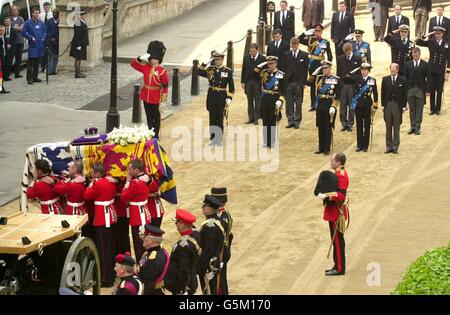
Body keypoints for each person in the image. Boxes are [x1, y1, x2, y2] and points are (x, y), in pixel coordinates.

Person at [83, 163, 118, 287]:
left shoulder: (98, 184)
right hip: (111, 216)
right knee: (110, 247)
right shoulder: (111, 181)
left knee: (103, 250)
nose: (90, 175)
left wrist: (91, 184)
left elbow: (86, 196)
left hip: (102, 218)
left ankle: (106, 279)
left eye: (92, 173)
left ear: (98, 174)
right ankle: (112, 274)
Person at [316, 152, 349, 276]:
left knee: (337, 241)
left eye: (333, 161)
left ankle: (340, 268)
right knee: (336, 241)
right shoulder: (338, 173)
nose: (331, 163)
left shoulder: (341, 175)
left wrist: (326, 197)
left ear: (339, 162)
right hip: (334, 211)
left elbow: (340, 195)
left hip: (336, 212)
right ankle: (337, 265)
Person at [130, 41, 169, 138]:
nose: (151, 60)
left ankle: (155, 136)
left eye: (153, 58)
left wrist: (163, 101)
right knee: (149, 117)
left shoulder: (162, 71)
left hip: (155, 97)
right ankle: (150, 134)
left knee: (156, 117)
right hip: (145, 95)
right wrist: (139, 58)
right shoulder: (146, 67)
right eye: (151, 58)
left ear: (158, 60)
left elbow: (165, 87)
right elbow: (133, 64)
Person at [198, 51, 235, 146]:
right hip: (212, 95)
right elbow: (199, 72)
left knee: (219, 117)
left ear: (222, 60)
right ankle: (213, 138)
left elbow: (231, 87)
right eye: (215, 59)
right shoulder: (210, 69)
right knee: (212, 117)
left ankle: (219, 139)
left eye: (219, 59)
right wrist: (205, 63)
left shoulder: (227, 71)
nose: (217, 61)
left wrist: (229, 97)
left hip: (222, 95)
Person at [120, 159, 151, 262]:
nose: (128, 171)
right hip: (144, 213)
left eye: (130, 169)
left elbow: (123, 197)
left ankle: (142, 268)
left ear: (137, 171)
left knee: (139, 246)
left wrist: (128, 181)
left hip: (137, 216)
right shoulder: (146, 179)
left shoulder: (135, 183)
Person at [164, 209, 201, 295]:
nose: (175, 224)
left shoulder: (183, 246)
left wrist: (181, 289)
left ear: (182, 224)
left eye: (177, 222)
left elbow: (184, 271)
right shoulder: (195, 235)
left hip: (185, 286)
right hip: (192, 279)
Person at [416, 26, 450, 116]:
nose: (437, 35)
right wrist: (425, 36)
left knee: (439, 89)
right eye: (435, 34)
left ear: (442, 34)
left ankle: (438, 109)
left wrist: (448, 72)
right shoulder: (431, 42)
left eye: (439, 34)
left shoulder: (447, 43)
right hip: (431, 69)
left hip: (441, 69)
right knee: (431, 89)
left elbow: (449, 58)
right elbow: (418, 42)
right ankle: (432, 109)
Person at [299, 23, 333, 112]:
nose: (317, 33)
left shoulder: (325, 42)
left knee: (321, 84)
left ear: (321, 32)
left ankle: (320, 103)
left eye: (319, 31)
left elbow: (329, 55)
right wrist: (305, 33)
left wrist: (328, 66)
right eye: (316, 31)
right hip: (312, 64)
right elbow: (299, 40)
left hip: (321, 65)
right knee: (312, 85)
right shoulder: (310, 40)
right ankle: (313, 104)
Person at [254, 56, 285, 148]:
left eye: (272, 63)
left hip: (275, 99)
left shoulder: (281, 74)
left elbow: (284, 89)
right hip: (265, 98)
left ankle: (272, 142)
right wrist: (260, 65)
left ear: (276, 64)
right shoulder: (264, 72)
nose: (270, 65)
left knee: (272, 121)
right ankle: (265, 141)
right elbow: (254, 73)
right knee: (265, 120)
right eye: (268, 64)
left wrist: (281, 99)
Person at [197, 195, 225, 295]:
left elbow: (209, 249)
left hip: (209, 265)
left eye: (204, 206)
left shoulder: (210, 226)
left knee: (208, 291)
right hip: (214, 261)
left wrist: (203, 267)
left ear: (209, 209)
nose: (202, 208)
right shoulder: (217, 220)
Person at [314, 61, 341, 155]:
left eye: (326, 68)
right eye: (323, 68)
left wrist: (334, 105)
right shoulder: (319, 78)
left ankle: (327, 148)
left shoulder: (335, 79)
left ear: (330, 68)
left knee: (327, 126)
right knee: (320, 126)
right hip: (320, 103)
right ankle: (321, 147)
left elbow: (338, 94)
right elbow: (310, 83)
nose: (324, 70)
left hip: (329, 104)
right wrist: (314, 73)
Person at [281, 37, 309, 129]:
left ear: (298, 44)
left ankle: (297, 121)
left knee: (298, 103)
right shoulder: (286, 54)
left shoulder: (304, 55)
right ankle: (290, 120)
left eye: (295, 44)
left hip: (299, 83)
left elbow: (305, 70)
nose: (294, 46)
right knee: (289, 103)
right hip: (289, 82)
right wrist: (284, 81)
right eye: (292, 44)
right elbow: (283, 68)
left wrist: (304, 82)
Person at [351, 63, 378, 152]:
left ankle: (365, 145)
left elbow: (375, 93)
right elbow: (346, 79)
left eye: (365, 70)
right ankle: (359, 145)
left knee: (366, 125)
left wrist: (375, 105)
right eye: (362, 70)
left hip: (367, 105)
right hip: (358, 105)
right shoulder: (356, 79)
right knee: (359, 125)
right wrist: (353, 70)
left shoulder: (372, 80)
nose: (363, 71)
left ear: (368, 71)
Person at [381, 63, 408, 154]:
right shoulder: (385, 79)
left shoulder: (403, 80)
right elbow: (383, 92)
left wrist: (404, 106)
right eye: (391, 71)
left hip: (397, 105)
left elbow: (405, 94)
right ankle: (389, 146)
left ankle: (395, 146)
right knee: (388, 126)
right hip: (388, 104)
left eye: (394, 71)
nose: (392, 72)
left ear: (397, 70)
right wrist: (383, 105)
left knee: (396, 127)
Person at [211, 187, 233, 296]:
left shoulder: (222, 218)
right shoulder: (223, 214)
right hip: (223, 250)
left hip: (221, 252)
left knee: (219, 279)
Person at [404, 47, 430, 135]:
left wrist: (427, 90)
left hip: (420, 89)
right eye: (413, 54)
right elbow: (405, 77)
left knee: (419, 109)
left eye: (416, 54)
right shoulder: (408, 64)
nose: (414, 55)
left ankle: (417, 127)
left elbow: (428, 78)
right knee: (412, 109)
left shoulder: (425, 64)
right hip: (410, 89)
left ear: (419, 54)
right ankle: (412, 127)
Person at [138, 224, 170, 295]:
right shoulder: (158, 252)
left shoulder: (153, 259)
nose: (142, 238)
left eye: (145, 236)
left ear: (151, 241)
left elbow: (147, 281)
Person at [337, 42, 361, 132]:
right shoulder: (340, 58)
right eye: (345, 52)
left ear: (351, 50)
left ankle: (350, 123)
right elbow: (338, 72)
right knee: (343, 105)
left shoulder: (357, 59)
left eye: (348, 51)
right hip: (343, 84)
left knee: (351, 105)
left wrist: (353, 79)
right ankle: (344, 123)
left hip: (352, 85)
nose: (347, 53)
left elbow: (359, 74)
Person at [241, 43, 266, 125]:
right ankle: (251, 117)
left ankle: (256, 117)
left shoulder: (262, 58)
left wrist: (263, 84)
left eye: (253, 51)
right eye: (251, 51)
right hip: (249, 82)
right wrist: (243, 81)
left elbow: (265, 72)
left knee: (258, 101)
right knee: (250, 101)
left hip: (258, 82)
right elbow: (243, 70)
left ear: (257, 50)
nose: (252, 53)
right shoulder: (246, 58)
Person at [21, 7, 46, 85]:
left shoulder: (41, 22)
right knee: (31, 63)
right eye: (35, 13)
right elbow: (23, 33)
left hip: (40, 46)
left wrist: (43, 38)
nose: (37, 14)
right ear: (32, 13)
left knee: (37, 62)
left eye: (38, 13)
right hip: (33, 46)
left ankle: (35, 77)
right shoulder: (28, 23)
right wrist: (31, 37)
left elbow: (45, 32)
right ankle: (29, 78)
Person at [69, 10, 89, 78]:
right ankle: (77, 73)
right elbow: (77, 35)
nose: (85, 16)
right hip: (79, 44)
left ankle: (78, 72)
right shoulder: (78, 23)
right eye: (84, 15)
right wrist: (78, 45)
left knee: (79, 58)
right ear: (80, 16)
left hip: (82, 43)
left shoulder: (82, 22)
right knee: (78, 58)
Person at [114, 178, 131, 255]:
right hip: (115, 210)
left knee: (123, 236)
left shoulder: (126, 179)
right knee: (117, 236)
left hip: (122, 210)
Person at [10, 5, 25, 78]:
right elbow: (9, 28)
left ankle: (17, 73)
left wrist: (15, 28)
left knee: (19, 58)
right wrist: (18, 28)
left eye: (15, 10)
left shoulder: (21, 18)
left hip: (20, 41)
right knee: (10, 58)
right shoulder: (9, 19)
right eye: (12, 10)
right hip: (12, 42)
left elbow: (22, 28)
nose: (14, 11)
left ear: (17, 11)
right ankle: (7, 74)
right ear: (11, 11)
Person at [39, 2, 52, 73]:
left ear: (49, 7)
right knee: (42, 52)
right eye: (45, 7)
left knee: (49, 52)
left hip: (49, 36)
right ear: (43, 7)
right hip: (42, 35)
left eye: (47, 7)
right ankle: (43, 66)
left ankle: (49, 66)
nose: (46, 8)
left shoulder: (52, 15)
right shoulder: (41, 15)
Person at [46, 9, 59, 75]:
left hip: (57, 42)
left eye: (56, 13)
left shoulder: (60, 21)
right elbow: (46, 31)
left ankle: (54, 69)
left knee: (56, 56)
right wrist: (50, 38)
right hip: (50, 41)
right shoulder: (49, 21)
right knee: (50, 56)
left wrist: (56, 38)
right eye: (54, 13)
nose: (55, 15)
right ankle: (49, 70)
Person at [2, 17, 15, 82]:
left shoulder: (13, 30)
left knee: (10, 62)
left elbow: (14, 39)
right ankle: (4, 76)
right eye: (6, 21)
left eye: (8, 21)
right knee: (4, 63)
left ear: (10, 22)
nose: (7, 22)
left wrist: (10, 44)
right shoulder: (2, 29)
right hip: (4, 48)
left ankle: (8, 75)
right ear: (4, 22)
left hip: (11, 48)